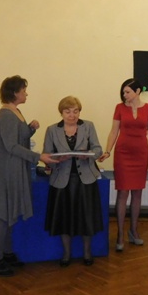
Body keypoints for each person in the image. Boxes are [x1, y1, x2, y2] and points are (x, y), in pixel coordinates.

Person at [0, 75, 58, 277]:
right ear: (14, 93)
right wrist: (39, 156)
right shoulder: (6, 115)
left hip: (14, 169)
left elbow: (19, 138)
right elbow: (11, 146)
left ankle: (6, 253)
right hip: (5, 171)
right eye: (24, 90)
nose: (26, 93)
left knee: (10, 214)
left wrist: (30, 129)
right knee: (3, 216)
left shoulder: (15, 112)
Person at [43, 96, 104, 267]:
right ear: (61, 113)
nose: (72, 115)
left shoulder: (88, 126)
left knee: (87, 219)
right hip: (61, 181)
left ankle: (87, 253)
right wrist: (57, 159)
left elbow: (98, 149)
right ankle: (66, 254)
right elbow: (46, 155)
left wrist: (88, 154)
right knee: (64, 219)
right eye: (68, 111)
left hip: (86, 180)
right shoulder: (52, 130)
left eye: (76, 111)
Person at [98, 78, 148, 251]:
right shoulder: (119, 108)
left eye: (128, 92)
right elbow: (114, 131)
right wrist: (108, 151)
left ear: (138, 91)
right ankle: (119, 234)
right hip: (123, 154)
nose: (124, 95)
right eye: (123, 92)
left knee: (137, 193)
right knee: (123, 192)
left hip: (141, 154)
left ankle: (133, 231)